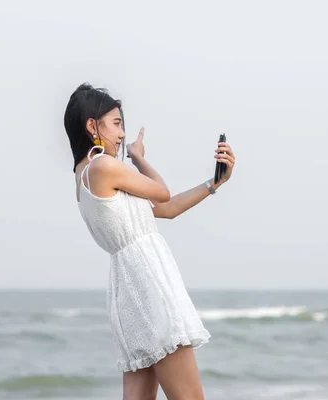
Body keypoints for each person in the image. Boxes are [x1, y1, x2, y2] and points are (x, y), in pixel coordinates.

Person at [63, 83, 236, 400]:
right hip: (148, 283)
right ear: (91, 126)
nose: (121, 135)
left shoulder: (88, 175)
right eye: (116, 124)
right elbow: (163, 192)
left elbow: (166, 209)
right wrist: (139, 158)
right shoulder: (102, 167)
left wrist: (214, 183)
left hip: (129, 291)